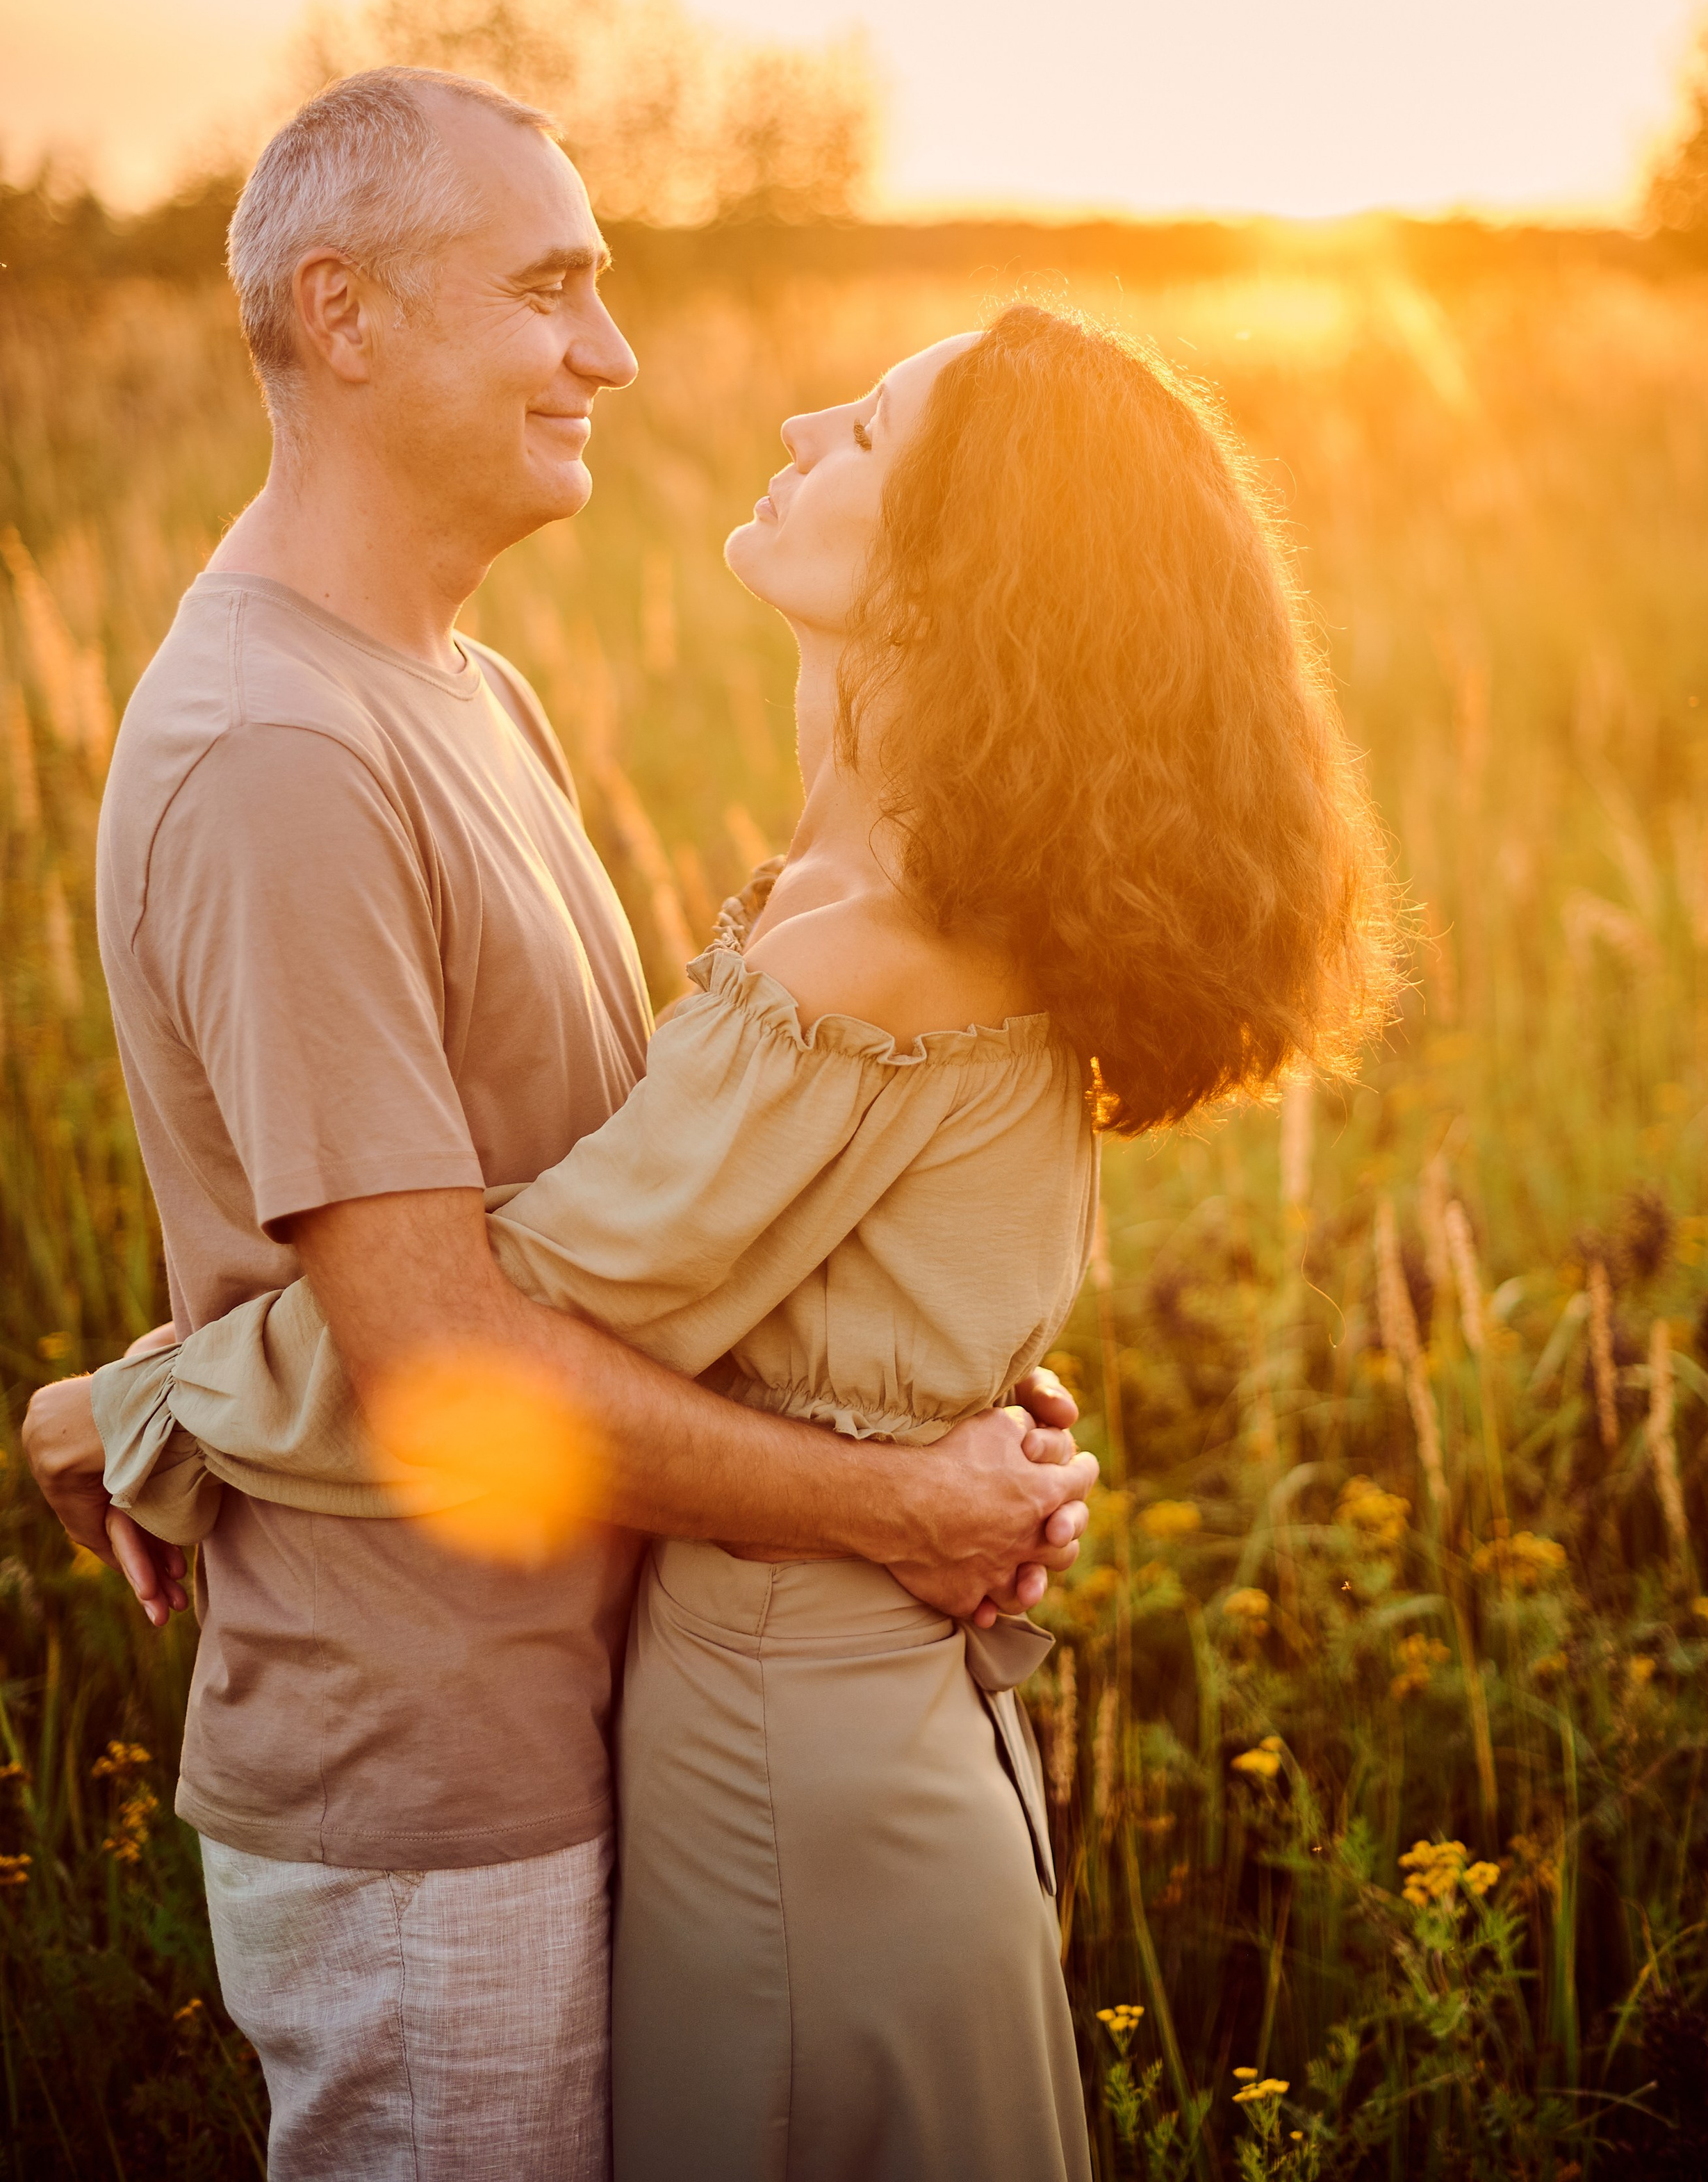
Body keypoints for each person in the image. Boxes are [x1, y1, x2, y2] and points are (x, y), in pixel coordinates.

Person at [75, 304, 1396, 2177]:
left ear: (955, 581)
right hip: (868, 1731)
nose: (793, 423)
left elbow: (460, 1344)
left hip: (792, 1765)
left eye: (863, 437)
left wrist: (138, 1408)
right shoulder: (938, 894)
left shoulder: (872, 949)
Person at [21, 69, 1097, 2182]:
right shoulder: (279, 754)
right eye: (551, 288)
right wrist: (888, 1507)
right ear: (344, 316)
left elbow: (604, 1225)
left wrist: (898, 1375)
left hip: (595, 1711)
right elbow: (441, 1362)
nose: (611, 350)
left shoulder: (459, 686)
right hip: (432, 1781)